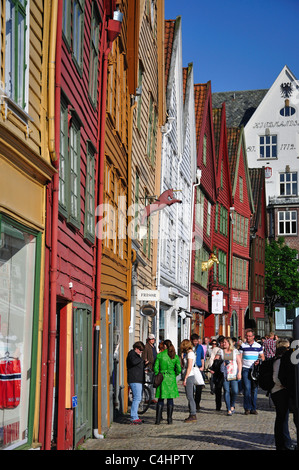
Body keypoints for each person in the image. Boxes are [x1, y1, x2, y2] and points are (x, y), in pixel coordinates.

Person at [270, 338, 294, 450]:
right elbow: (276, 377)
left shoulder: (279, 359)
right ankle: (284, 443)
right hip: (279, 391)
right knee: (282, 418)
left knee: (282, 418)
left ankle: (284, 442)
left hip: (279, 391)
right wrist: (283, 385)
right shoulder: (279, 360)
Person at [153, 339, 181, 425]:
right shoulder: (174, 356)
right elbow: (179, 369)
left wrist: (159, 374)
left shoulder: (160, 355)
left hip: (162, 378)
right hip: (171, 378)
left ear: (165, 346)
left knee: (161, 398)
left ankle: (158, 420)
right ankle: (169, 419)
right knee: (170, 398)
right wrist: (173, 374)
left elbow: (155, 368)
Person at [239, 329, 265, 415]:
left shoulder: (258, 346)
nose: (248, 337)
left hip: (254, 370)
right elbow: (239, 357)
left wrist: (259, 361)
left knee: (254, 389)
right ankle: (247, 408)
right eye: (247, 336)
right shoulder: (243, 345)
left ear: (253, 337)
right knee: (247, 388)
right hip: (245, 369)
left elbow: (262, 357)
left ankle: (253, 408)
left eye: (250, 336)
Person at [216, 337, 242, 415]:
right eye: (223, 342)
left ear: (229, 343)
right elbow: (216, 361)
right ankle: (228, 409)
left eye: (225, 342)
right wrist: (221, 363)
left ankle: (232, 404)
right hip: (224, 375)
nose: (223, 344)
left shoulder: (235, 351)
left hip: (233, 374)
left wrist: (239, 372)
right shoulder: (220, 351)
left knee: (235, 391)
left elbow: (239, 362)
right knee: (226, 391)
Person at [126, 341, 148, 424]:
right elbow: (133, 362)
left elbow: (138, 365)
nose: (141, 352)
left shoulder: (136, 356)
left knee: (137, 398)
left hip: (138, 379)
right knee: (137, 398)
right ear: (136, 348)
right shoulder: (132, 354)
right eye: (140, 350)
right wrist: (141, 361)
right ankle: (134, 417)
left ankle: (135, 416)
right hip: (134, 379)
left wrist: (145, 364)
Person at [180, 339, 197, 423]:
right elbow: (183, 366)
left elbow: (189, 367)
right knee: (189, 396)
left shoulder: (190, 354)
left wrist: (185, 378)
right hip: (187, 375)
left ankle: (193, 413)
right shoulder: (187, 354)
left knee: (190, 396)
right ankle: (191, 413)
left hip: (189, 376)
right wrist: (182, 358)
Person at [209, 336, 224, 410]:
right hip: (217, 371)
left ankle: (229, 405)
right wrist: (211, 368)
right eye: (221, 342)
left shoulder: (229, 350)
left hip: (226, 372)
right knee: (218, 389)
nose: (222, 344)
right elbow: (212, 358)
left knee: (227, 389)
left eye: (223, 342)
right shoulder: (216, 350)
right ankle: (218, 405)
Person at [190, 333, 205, 411]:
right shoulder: (189, 347)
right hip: (191, 368)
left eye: (197, 341)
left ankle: (197, 403)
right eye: (194, 341)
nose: (196, 342)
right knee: (191, 388)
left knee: (199, 387)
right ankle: (191, 404)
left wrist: (202, 366)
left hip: (198, 369)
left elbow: (202, 358)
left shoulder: (200, 347)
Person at [142, 334, 158, 403]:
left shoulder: (153, 347)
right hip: (148, 367)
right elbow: (144, 356)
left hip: (153, 367)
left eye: (153, 339)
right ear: (148, 339)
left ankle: (151, 398)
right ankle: (147, 398)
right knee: (147, 383)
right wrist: (145, 362)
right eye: (151, 339)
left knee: (151, 383)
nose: (153, 340)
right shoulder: (146, 347)